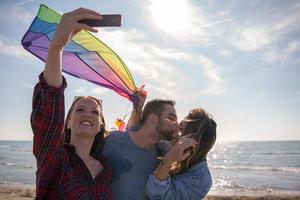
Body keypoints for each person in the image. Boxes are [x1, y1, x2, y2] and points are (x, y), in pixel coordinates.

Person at [31, 8, 113, 199]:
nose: (88, 114)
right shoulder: (55, 158)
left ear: (101, 125)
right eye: (80, 109)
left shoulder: (106, 170)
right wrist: (56, 48)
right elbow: (49, 114)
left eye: (95, 112)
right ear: (67, 122)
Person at [102, 98, 181, 199]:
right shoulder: (112, 140)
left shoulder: (160, 160)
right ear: (153, 119)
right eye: (171, 118)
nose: (176, 124)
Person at [146, 108, 217, 199]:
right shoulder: (169, 147)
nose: (175, 130)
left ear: (192, 141)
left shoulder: (201, 180)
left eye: (180, 130)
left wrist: (169, 158)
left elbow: (156, 194)